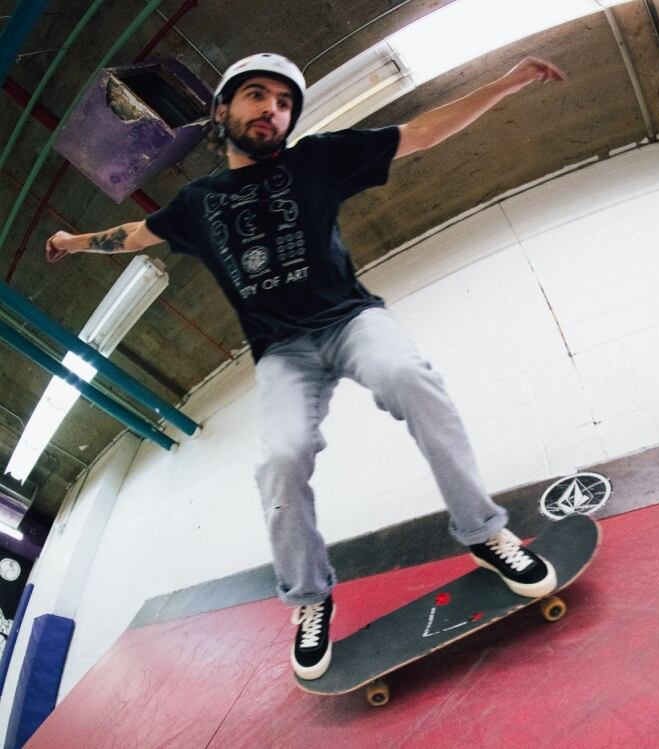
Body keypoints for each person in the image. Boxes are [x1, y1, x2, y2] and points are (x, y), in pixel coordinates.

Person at [45, 52, 566, 680]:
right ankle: (310, 598)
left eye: (285, 103)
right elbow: (137, 234)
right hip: (281, 353)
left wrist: (505, 84)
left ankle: (484, 534)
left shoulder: (318, 160)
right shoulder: (197, 202)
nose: (273, 110)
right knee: (281, 459)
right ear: (224, 110)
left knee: (409, 378)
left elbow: (420, 132)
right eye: (258, 96)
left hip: (350, 320)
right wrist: (76, 242)